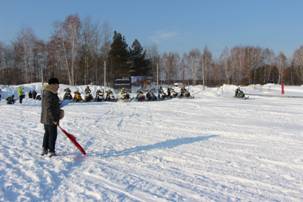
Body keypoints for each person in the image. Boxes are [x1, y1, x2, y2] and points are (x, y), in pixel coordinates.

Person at [40, 78, 64, 157]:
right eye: (57, 85)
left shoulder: (50, 93)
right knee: (52, 135)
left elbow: (53, 105)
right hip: (50, 118)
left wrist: (60, 107)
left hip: (47, 118)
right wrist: (53, 119)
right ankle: (51, 150)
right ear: (53, 85)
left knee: (47, 133)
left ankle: (45, 149)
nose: (58, 87)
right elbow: (48, 107)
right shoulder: (49, 93)